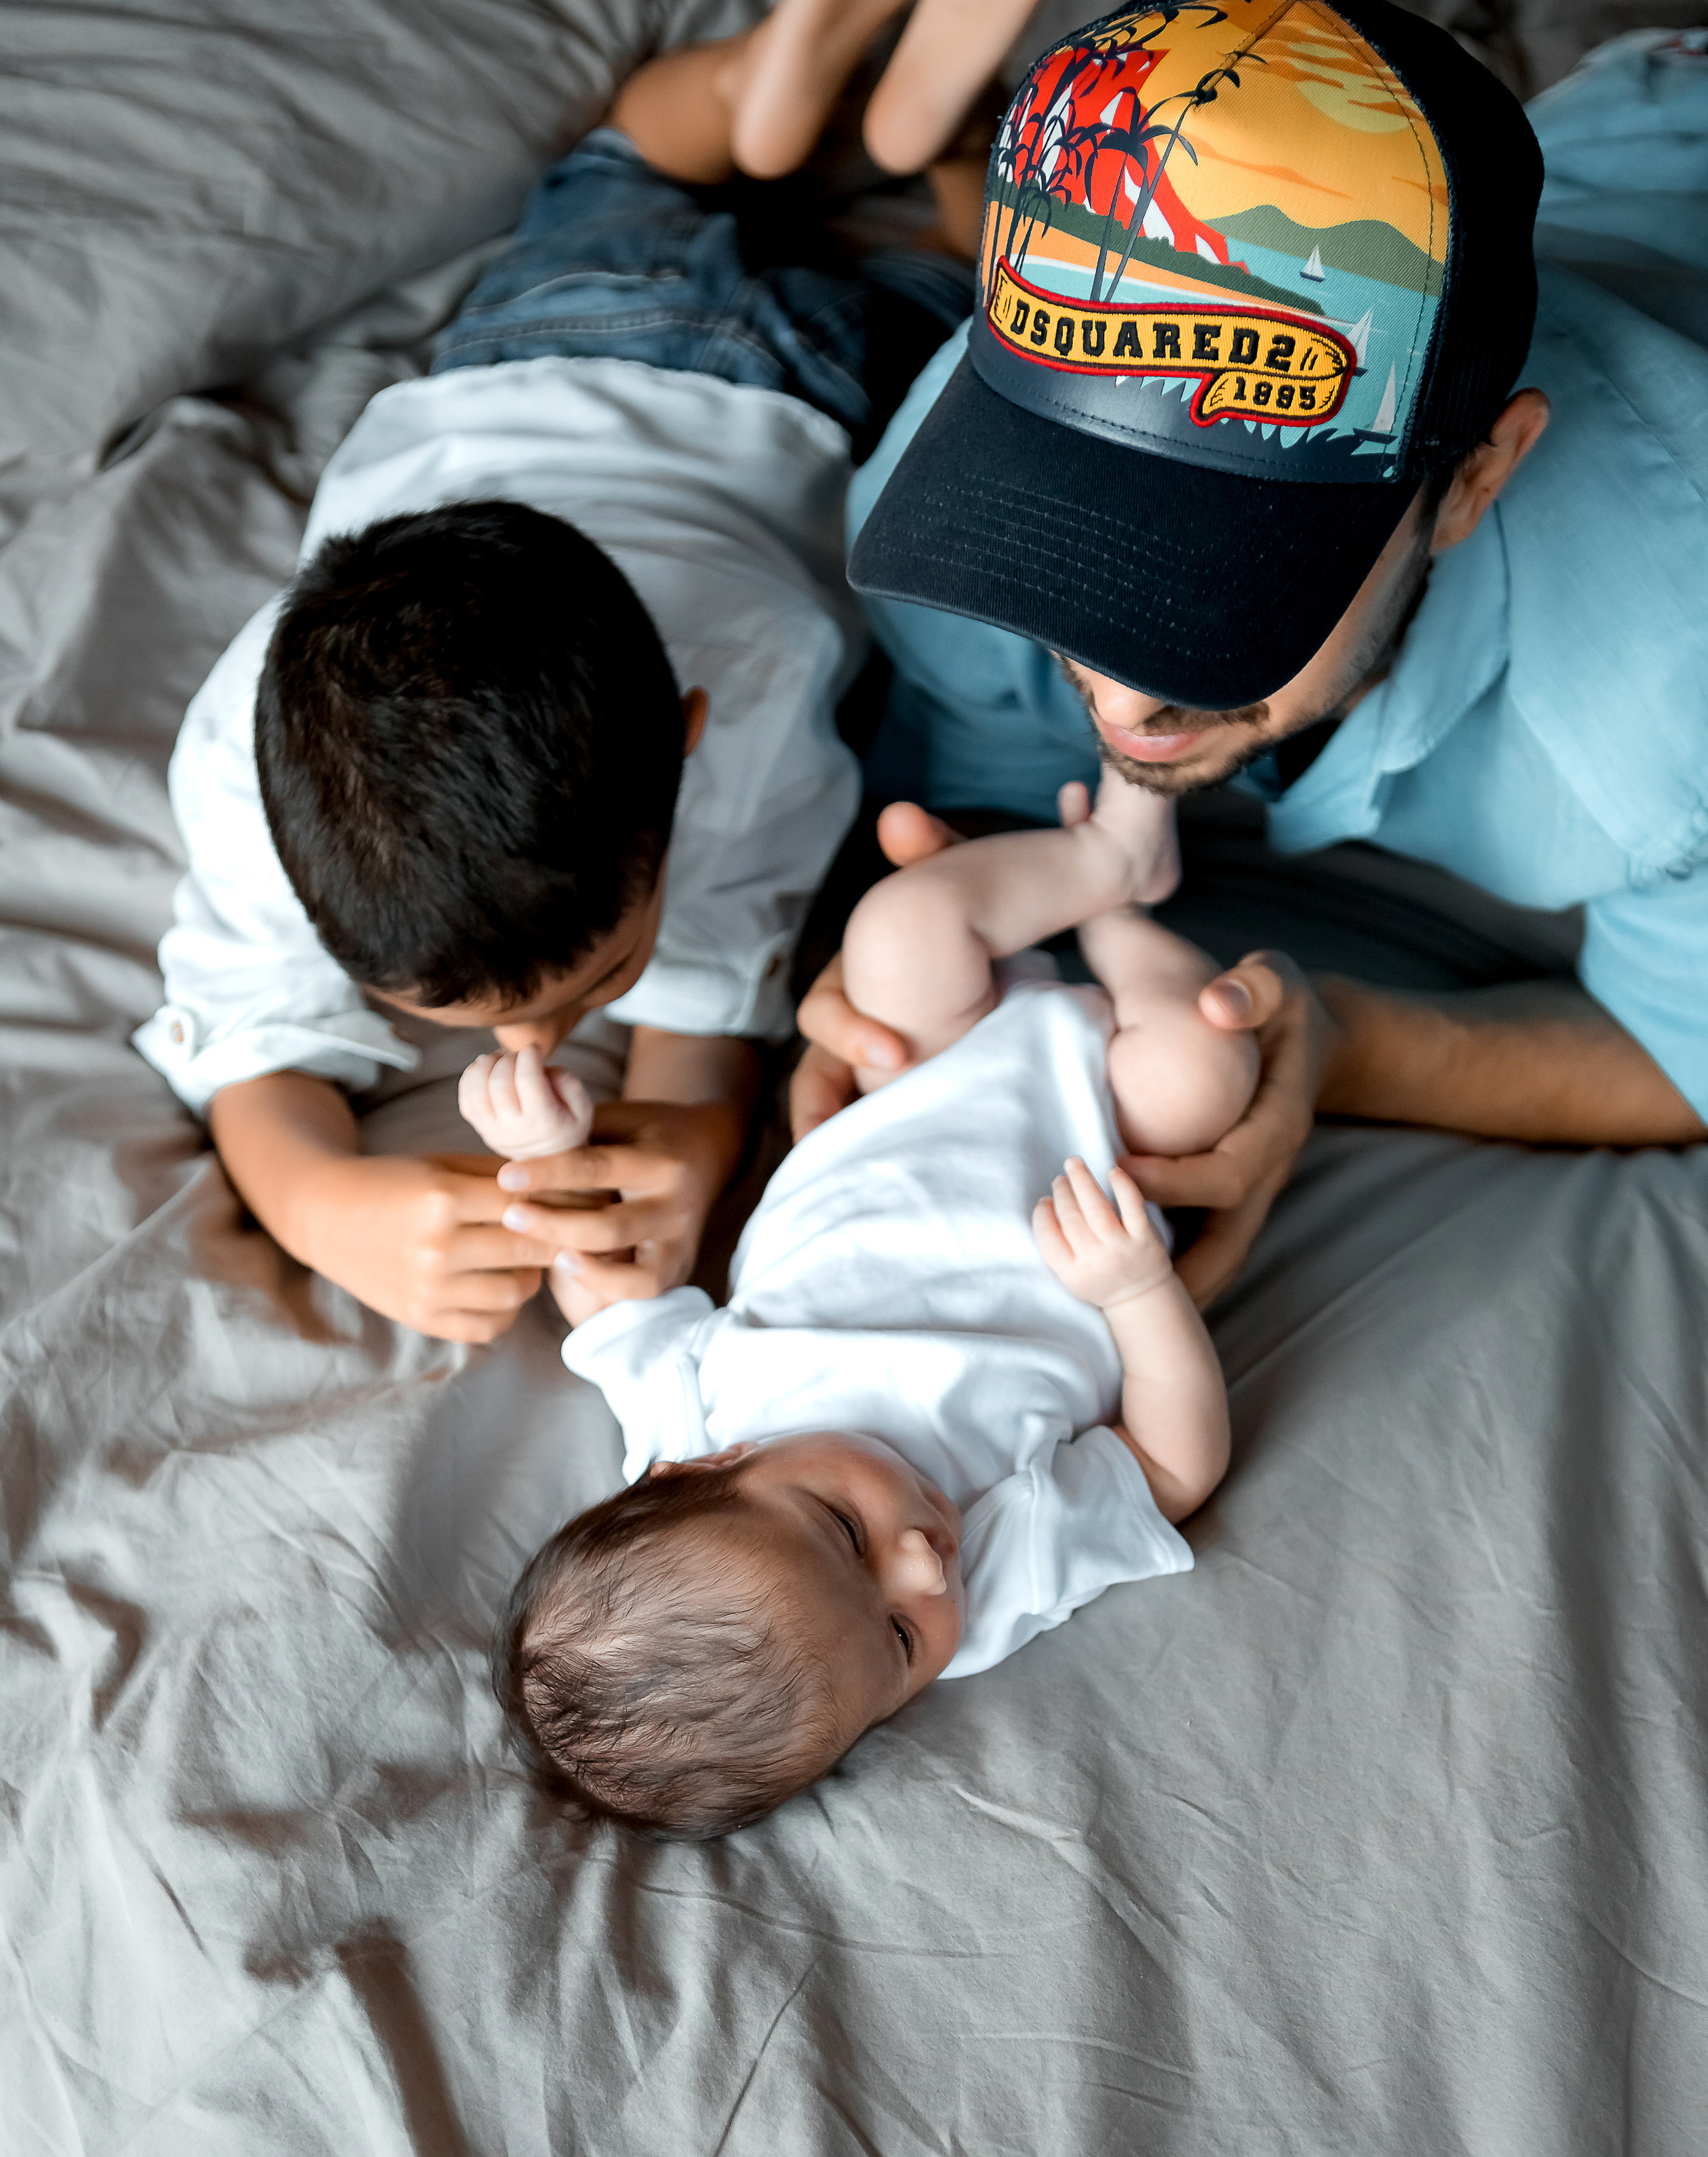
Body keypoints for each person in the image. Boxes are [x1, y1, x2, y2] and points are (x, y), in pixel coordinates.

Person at [795, 3, 1708, 1306]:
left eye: (1220, 582)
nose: (1120, 697)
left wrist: (1345, 1048)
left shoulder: (1674, 690)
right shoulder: (965, 447)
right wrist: (930, 961)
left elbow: (1685, 1057)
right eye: (1054, 539)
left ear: (1474, 480)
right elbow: (983, 792)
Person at [133, 1, 977, 1342]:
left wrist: (704, 1134)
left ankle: (940, 168)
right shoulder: (247, 754)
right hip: (539, 339)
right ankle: (756, 98)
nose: (528, 1046)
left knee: (979, 327)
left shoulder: (758, 687)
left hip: (810, 394)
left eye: (595, 986)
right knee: (623, 170)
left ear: (689, 734)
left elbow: (725, 964)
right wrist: (322, 1203)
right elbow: (254, 1013)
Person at [471, 781, 1252, 1836]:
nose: (925, 1564)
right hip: (1106, 1142)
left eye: (846, 1531)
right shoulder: (999, 1579)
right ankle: (1121, 923)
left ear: (701, 1469)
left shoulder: (690, 1419)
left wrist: (551, 1156)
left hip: (915, 1082)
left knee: (901, 931)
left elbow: (609, 1296)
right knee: (1200, 1069)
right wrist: (1137, 1291)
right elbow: (1170, 1469)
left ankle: (1110, 855)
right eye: (899, 1643)